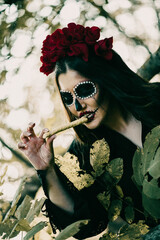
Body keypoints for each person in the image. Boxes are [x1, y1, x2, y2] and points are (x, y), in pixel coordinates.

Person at [18, 23, 160, 239]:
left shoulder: (156, 100)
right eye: (67, 98)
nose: (77, 106)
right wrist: (46, 170)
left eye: (84, 90)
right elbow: (84, 224)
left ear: (106, 78)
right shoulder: (85, 155)